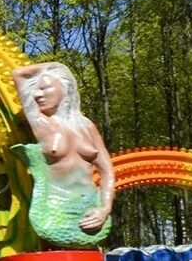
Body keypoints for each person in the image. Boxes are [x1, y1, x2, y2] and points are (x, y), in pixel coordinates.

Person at [11, 62, 114, 246]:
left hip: (90, 209)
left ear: (65, 87)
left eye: (45, 88)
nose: (37, 94)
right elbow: (18, 74)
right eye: (35, 90)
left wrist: (105, 208)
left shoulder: (87, 126)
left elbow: (107, 171)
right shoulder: (41, 123)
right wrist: (54, 66)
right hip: (54, 209)